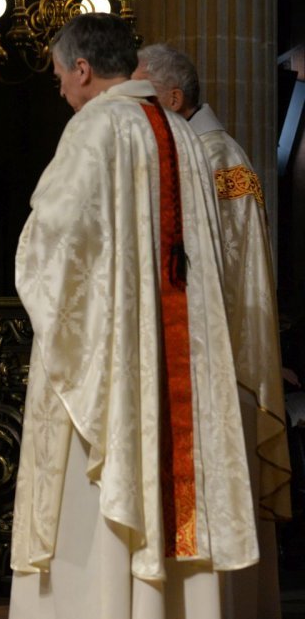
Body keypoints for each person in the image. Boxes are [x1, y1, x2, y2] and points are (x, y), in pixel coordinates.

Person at [10, 14, 258, 619]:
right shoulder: (181, 134)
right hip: (179, 368)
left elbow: (51, 249)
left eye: (60, 75)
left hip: (114, 369)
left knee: (94, 501)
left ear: (84, 70)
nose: (61, 89)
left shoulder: (94, 130)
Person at [135, 43, 291, 618]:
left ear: (173, 99)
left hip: (214, 356)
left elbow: (234, 267)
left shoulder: (219, 159)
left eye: (145, 96)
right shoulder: (185, 155)